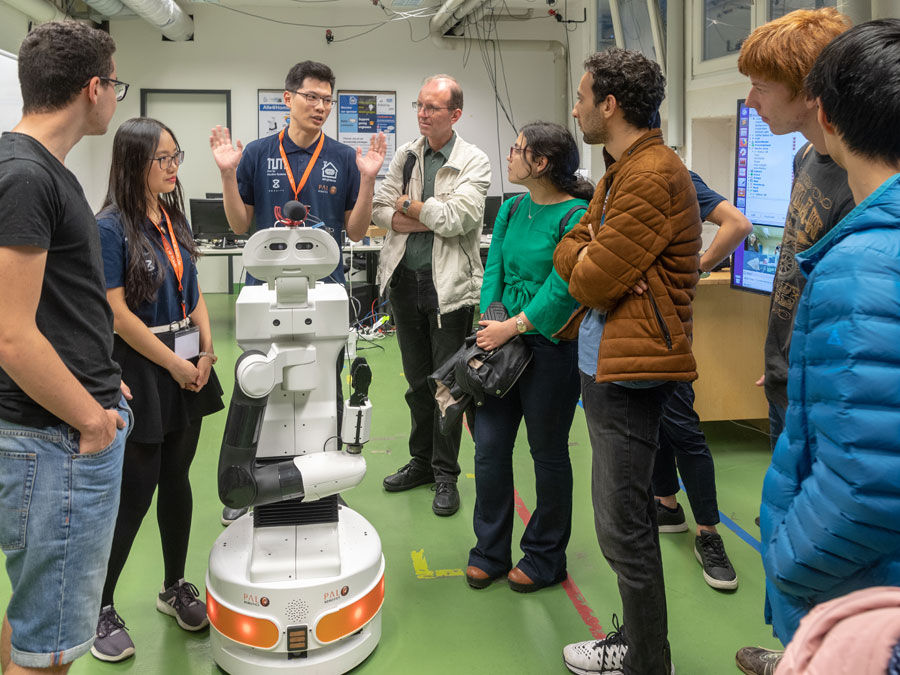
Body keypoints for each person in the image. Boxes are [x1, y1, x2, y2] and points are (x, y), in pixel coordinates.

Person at [738, 18, 900, 675]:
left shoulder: (866, 247)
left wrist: (784, 555)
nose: (752, 100)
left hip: (846, 553)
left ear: (818, 100)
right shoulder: (811, 163)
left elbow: (864, 484)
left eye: (761, 85)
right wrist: (790, 365)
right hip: (814, 384)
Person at [556, 48, 701, 675]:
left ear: (609, 105)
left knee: (624, 530)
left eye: (583, 98)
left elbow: (589, 281)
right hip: (607, 359)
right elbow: (576, 252)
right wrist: (593, 256)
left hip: (630, 370)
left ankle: (647, 662)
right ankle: (638, 648)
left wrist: (596, 263)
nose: (577, 109)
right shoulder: (622, 170)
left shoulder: (648, 175)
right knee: (618, 524)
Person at [0, 21, 131, 673]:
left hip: (66, 423)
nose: (115, 97)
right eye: (116, 83)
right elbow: (12, 334)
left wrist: (103, 376)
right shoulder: (27, 176)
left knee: (35, 618)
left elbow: (56, 304)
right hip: (57, 441)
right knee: (48, 650)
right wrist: (91, 414)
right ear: (94, 87)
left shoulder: (40, 170)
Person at [210, 60, 385, 523]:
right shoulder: (259, 154)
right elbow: (239, 224)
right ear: (287, 98)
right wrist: (228, 174)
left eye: (328, 99)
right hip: (265, 293)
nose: (321, 107)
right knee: (260, 385)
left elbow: (358, 227)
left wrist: (368, 180)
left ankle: (320, 485)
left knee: (323, 389)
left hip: (324, 294)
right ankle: (250, 482)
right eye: (312, 96)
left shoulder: (345, 158)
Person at [90, 118, 225, 662]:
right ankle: (99, 607)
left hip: (189, 363)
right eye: (163, 159)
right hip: (145, 366)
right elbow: (117, 315)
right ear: (133, 163)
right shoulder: (109, 227)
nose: (173, 168)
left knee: (177, 480)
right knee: (135, 493)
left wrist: (208, 351)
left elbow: (194, 294)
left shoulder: (172, 217)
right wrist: (175, 363)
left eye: (177, 157)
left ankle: (173, 586)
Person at [465, 122, 591, 592]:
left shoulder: (576, 215)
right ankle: (490, 550)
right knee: (490, 449)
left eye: (518, 150)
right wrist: (489, 323)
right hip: (499, 339)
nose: (511, 156)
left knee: (548, 453)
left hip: (550, 346)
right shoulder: (513, 208)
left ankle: (545, 556)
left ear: (541, 163)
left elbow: (564, 288)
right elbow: (493, 267)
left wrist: (514, 326)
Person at [737, 8, 854, 452]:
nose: (751, 102)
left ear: (810, 94)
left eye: (762, 89)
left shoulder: (860, 183)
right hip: (787, 375)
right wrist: (783, 357)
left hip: (822, 389)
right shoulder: (804, 157)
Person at [373, 75, 490, 517]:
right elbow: (383, 212)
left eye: (432, 108)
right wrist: (421, 214)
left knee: (447, 386)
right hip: (404, 283)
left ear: (454, 114)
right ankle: (421, 462)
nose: (422, 114)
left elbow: (460, 218)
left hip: (448, 290)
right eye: (419, 106)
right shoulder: (406, 156)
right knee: (416, 384)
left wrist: (410, 207)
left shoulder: (472, 160)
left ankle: (446, 475)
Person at [652, 171, 752, 591]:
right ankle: (667, 506)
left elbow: (738, 224)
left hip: (669, 331)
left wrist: (702, 264)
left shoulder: (677, 178)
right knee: (652, 422)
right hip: (633, 331)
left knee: (683, 429)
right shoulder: (620, 178)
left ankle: (709, 533)